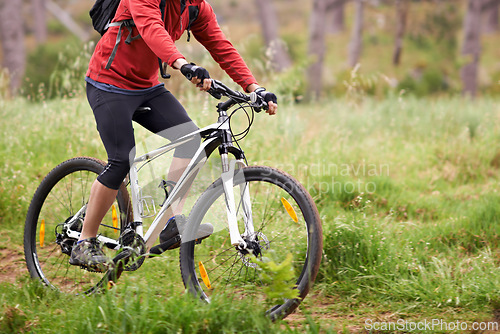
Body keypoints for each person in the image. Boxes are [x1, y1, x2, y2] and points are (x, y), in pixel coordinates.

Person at [69, 0, 278, 271]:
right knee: (121, 159)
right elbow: (151, 28)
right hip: (109, 84)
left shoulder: (195, 6)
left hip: (147, 86)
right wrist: (183, 64)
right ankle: (84, 242)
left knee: (190, 140)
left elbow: (220, 45)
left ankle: (170, 222)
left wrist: (254, 86)